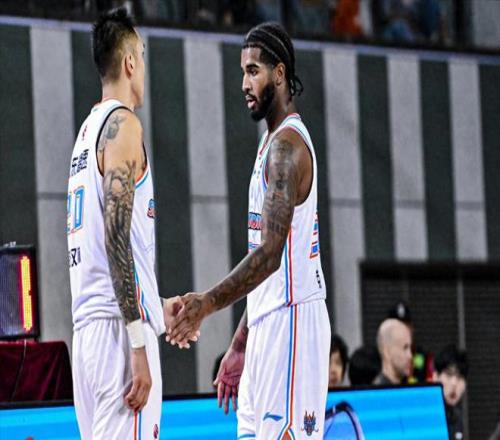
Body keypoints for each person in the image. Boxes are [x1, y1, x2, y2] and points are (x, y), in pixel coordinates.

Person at [167, 22, 331, 438]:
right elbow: (264, 264)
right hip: (266, 323)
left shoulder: (287, 149)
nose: (244, 83)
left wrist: (207, 303)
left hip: (293, 320)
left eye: (254, 71)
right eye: (243, 71)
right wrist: (242, 341)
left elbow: (270, 256)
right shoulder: (269, 144)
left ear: (280, 73)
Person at [67, 8, 194, 439]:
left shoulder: (87, 133)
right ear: (129, 62)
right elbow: (115, 237)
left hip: (89, 336)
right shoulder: (123, 126)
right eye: (142, 53)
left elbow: (107, 251)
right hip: (119, 338)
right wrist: (138, 340)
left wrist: (156, 307)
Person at [433, 345, 468, 440]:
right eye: (449, 374)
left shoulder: (457, 417)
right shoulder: (424, 413)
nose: (454, 383)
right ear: (435, 377)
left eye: (460, 377)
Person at [374, 318, 413, 385]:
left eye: (410, 348)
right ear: (387, 353)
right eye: (405, 348)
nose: (410, 356)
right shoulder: (379, 390)